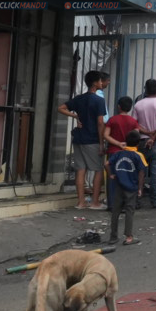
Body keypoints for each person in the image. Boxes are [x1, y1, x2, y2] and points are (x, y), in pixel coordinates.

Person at [58, 70, 108, 210]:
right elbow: (100, 123)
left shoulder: (79, 99)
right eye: (100, 80)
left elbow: (61, 108)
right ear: (95, 83)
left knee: (80, 170)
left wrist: (75, 116)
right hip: (92, 139)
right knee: (98, 170)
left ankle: (81, 202)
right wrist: (101, 143)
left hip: (79, 138)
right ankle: (95, 202)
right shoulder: (99, 100)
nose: (102, 83)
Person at [132, 79, 156, 209]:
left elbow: (135, 124)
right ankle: (155, 201)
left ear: (145, 89)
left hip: (141, 142)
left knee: (139, 172)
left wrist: (147, 133)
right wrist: (153, 137)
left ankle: (137, 200)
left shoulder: (138, 105)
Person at [106, 137, 146, 247]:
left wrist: (111, 174)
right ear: (137, 144)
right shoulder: (138, 155)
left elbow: (106, 163)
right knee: (129, 211)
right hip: (131, 187)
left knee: (116, 211)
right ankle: (128, 237)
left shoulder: (118, 153)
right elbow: (141, 172)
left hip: (118, 186)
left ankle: (113, 236)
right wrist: (140, 188)